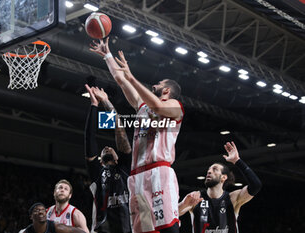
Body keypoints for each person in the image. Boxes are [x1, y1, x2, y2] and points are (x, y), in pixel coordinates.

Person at [90, 38, 184, 233]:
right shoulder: (142, 105)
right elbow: (121, 79)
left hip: (159, 171)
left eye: (159, 84)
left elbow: (157, 106)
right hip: (137, 176)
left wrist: (132, 78)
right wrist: (107, 55)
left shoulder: (175, 106)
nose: (155, 85)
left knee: (168, 228)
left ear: (166, 90)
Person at [178, 142, 262, 233]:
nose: (209, 172)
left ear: (223, 177)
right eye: (208, 170)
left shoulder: (232, 198)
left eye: (214, 169)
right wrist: (183, 204)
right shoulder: (196, 197)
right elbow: (173, 214)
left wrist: (237, 161)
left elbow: (256, 185)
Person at [84, 84, 132, 233]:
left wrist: (106, 102)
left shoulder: (125, 168)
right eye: (104, 150)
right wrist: (94, 105)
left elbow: (120, 132)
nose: (107, 147)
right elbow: (89, 138)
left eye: (112, 148)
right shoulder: (97, 173)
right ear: (99, 160)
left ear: (118, 158)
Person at [19, 202, 86, 233]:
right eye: (37, 210)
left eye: (43, 210)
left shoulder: (56, 227)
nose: (41, 212)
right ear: (31, 216)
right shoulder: (27, 231)